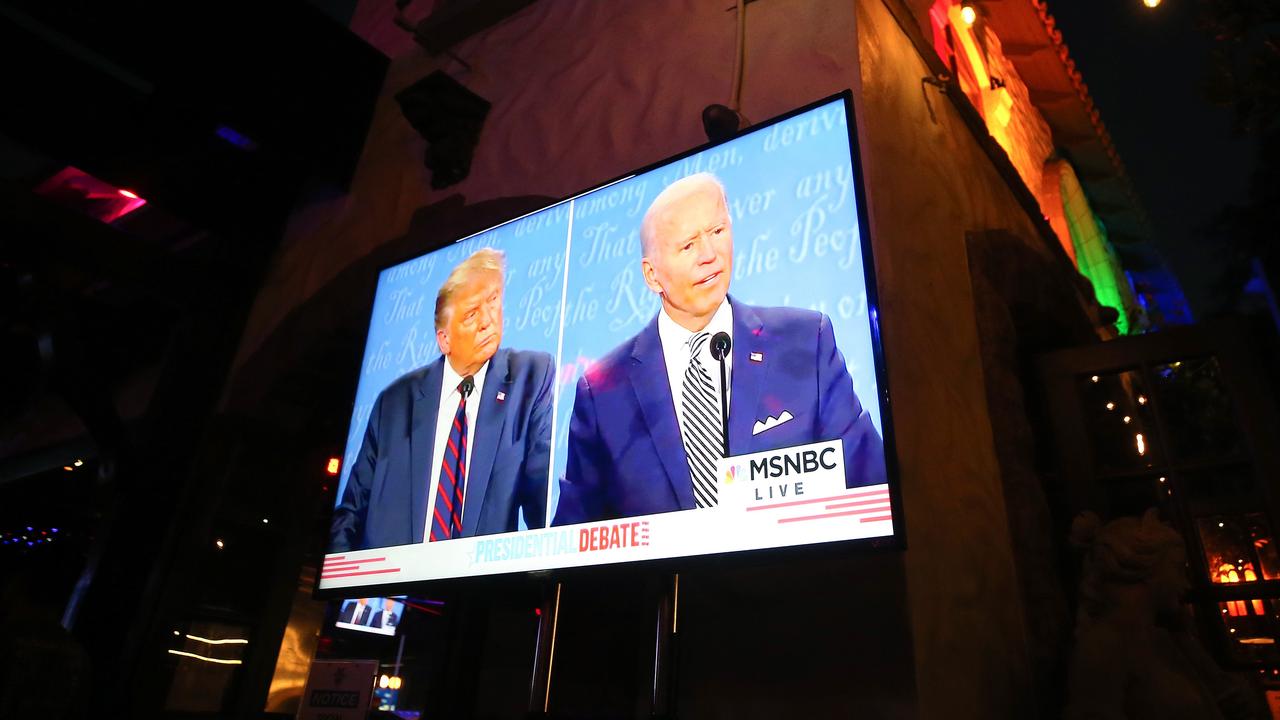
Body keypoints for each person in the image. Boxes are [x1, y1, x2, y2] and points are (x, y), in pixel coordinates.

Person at [554, 173, 885, 525]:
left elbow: (871, 488)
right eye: (688, 245)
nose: (709, 255)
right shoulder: (604, 391)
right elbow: (576, 538)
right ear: (652, 276)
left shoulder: (806, 340)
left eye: (717, 232)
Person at [330, 248, 553, 551]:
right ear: (444, 339)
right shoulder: (393, 404)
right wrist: (352, 591)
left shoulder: (530, 377)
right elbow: (350, 513)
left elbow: (545, 504)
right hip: (391, 590)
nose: (489, 320)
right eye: (472, 314)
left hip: (477, 593)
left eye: (493, 300)